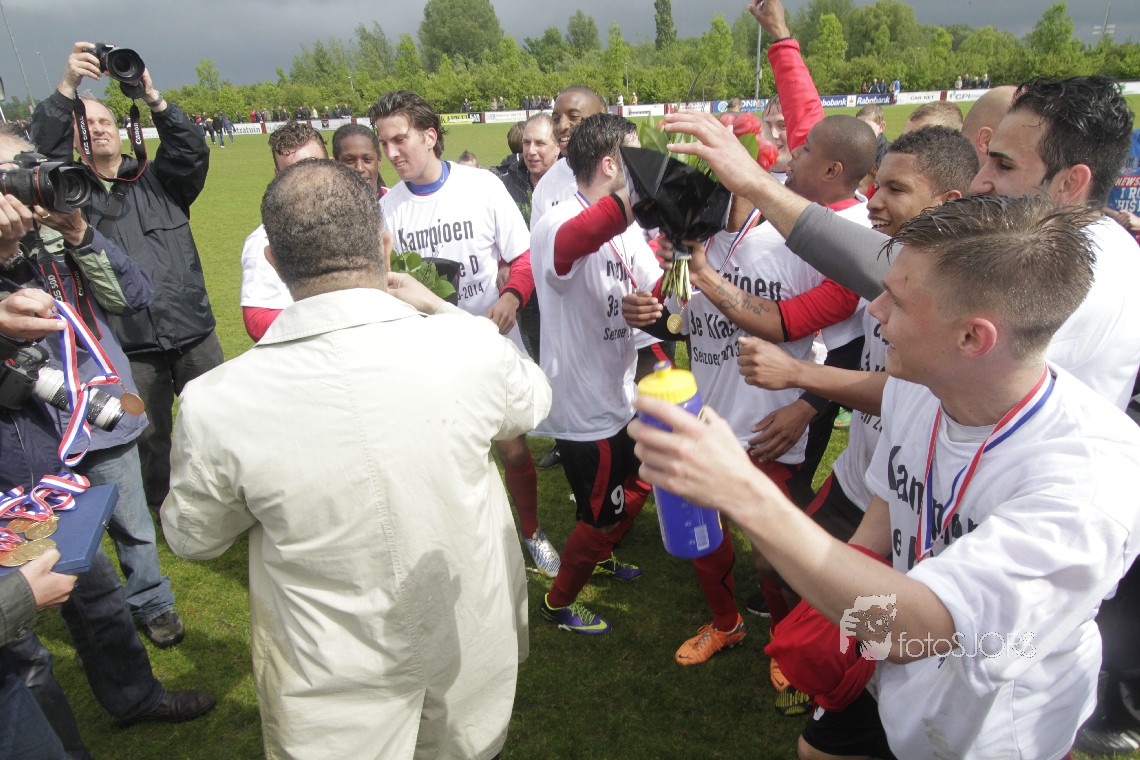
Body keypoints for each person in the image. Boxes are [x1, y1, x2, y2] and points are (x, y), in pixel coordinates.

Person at [632, 194, 1140, 759]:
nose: (873, 311)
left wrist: (742, 493)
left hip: (988, 727)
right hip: (896, 670)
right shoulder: (921, 387)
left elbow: (917, 629)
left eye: (896, 300)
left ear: (973, 338)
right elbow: (891, 497)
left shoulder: (1091, 483)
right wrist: (841, 615)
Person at [162, 159, 549, 759]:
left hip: (332, 684)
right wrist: (445, 312)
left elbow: (194, 536)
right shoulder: (466, 347)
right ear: (385, 244)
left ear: (273, 263)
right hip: (460, 647)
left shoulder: (217, 402)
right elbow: (531, 398)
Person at [659, 76, 1140, 411]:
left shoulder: (1076, 269)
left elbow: (895, 274)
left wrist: (755, 183)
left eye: (1005, 165)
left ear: (1071, 183)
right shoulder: (1074, 241)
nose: (981, 182)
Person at [0, 128, 187, 649]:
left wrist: (81, 236)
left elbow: (134, 294)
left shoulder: (62, 237)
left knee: (132, 523)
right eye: (10, 176)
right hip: (28, 429)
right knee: (49, 536)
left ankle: (152, 601)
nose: (27, 184)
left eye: (28, 168)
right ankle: (55, 613)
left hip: (96, 407)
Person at [371, 90, 560, 579]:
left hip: (489, 345)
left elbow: (523, 257)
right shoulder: (387, 209)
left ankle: (531, 531)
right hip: (427, 358)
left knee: (513, 448)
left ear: (430, 136)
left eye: (399, 139)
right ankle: (470, 548)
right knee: (448, 461)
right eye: (383, 143)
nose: (390, 153)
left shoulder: (482, 187)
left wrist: (512, 297)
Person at [31, 42, 221, 515]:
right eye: (88, 123)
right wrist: (68, 88)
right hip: (130, 344)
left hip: (193, 331)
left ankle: (229, 501)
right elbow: (41, 154)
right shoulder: (70, 195)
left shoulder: (161, 180)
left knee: (218, 422)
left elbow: (191, 149)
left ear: (122, 130)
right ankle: (161, 507)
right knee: (150, 436)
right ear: (77, 137)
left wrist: (152, 96)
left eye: (106, 121)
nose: (98, 129)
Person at [530, 113, 661, 634]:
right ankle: (558, 604)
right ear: (611, 165)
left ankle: (601, 556)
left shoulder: (626, 232)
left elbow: (657, 288)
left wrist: (654, 305)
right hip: (583, 409)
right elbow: (577, 240)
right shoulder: (557, 221)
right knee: (600, 516)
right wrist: (643, 194)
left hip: (619, 393)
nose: (646, 164)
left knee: (635, 483)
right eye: (637, 155)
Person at [239, 121, 329, 342]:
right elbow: (256, 320)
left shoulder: (358, 220)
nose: (305, 180)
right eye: (292, 173)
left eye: (313, 166)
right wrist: (328, 320)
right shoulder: (264, 240)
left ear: (332, 164)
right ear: (277, 176)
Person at [332, 122, 386, 198]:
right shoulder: (325, 203)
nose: (360, 168)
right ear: (335, 164)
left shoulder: (397, 201)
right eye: (350, 160)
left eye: (367, 159)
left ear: (379, 161)